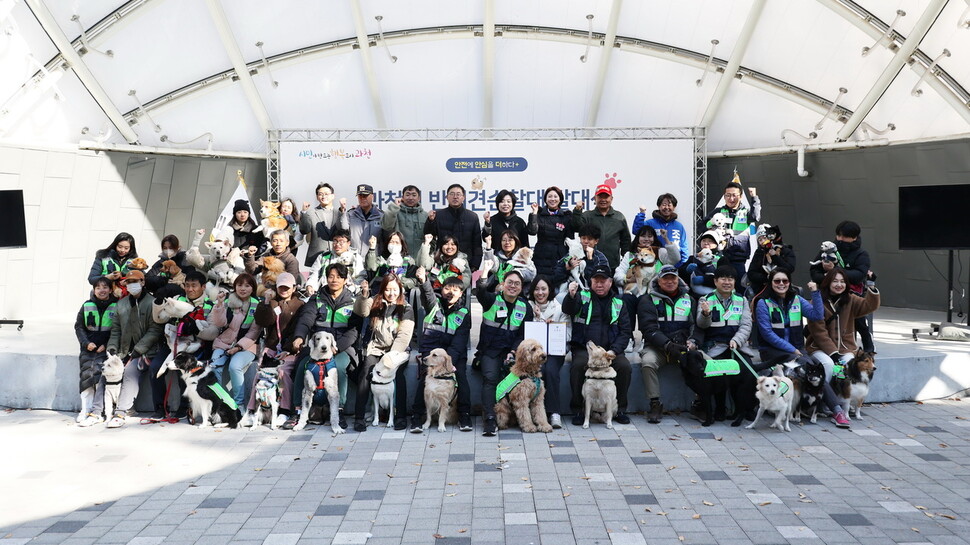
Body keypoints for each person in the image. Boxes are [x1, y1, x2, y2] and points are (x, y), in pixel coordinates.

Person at [753, 269, 847, 428]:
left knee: (816, 367)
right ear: (770, 283)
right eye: (777, 281)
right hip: (772, 351)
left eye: (785, 281)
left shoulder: (796, 299)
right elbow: (767, 334)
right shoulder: (763, 302)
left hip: (796, 349)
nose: (781, 284)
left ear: (790, 283)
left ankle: (823, 405)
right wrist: (792, 350)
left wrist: (815, 293)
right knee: (807, 364)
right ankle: (837, 410)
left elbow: (817, 315)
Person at [290, 263, 362, 426]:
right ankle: (297, 410)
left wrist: (336, 347)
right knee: (302, 366)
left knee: (339, 368)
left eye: (338, 277)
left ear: (345, 279)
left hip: (341, 348)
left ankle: (339, 410)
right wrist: (300, 337)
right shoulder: (316, 299)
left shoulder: (352, 301)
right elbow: (306, 319)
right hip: (316, 347)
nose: (334, 280)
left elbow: (354, 331)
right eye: (331, 276)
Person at [563, 265, 633, 426]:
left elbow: (625, 332)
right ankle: (579, 409)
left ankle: (619, 409)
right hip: (584, 348)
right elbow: (568, 308)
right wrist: (571, 296)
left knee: (624, 367)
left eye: (603, 281)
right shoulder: (583, 296)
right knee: (578, 366)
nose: (599, 284)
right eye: (596, 281)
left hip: (610, 350)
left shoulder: (619, 303)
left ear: (610, 283)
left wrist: (614, 351)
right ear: (591, 282)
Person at [149, 270, 221, 421]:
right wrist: (158, 304)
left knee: (185, 369)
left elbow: (213, 331)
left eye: (194, 286)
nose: (190, 289)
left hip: (195, 346)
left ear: (203, 287)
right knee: (155, 367)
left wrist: (194, 329)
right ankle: (160, 407)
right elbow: (160, 319)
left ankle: (184, 407)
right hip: (172, 343)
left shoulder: (210, 304)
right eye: (187, 285)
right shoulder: (176, 299)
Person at [410, 269, 473, 433]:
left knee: (461, 379)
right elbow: (428, 293)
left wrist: (448, 362)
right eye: (447, 288)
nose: (450, 292)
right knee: (425, 377)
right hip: (431, 351)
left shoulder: (464, 313)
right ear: (441, 289)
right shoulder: (434, 305)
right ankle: (417, 416)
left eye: (455, 289)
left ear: (461, 293)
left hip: (453, 354)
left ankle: (464, 415)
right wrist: (424, 281)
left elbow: (460, 341)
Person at [691, 265, 757, 423]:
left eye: (730, 279)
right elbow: (702, 325)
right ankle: (720, 408)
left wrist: (737, 340)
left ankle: (745, 408)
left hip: (737, 346)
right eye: (723, 279)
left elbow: (746, 325)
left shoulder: (741, 300)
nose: (727, 282)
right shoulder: (706, 300)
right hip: (715, 347)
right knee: (718, 372)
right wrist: (706, 314)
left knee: (747, 372)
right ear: (715, 281)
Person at [805, 267, 881, 399]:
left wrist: (871, 285)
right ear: (828, 282)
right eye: (835, 281)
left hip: (846, 348)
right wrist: (833, 354)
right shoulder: (817, 301)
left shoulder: (851, 299)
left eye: (842, 281)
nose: (839, 285)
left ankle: (844, 401)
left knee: (852, 365)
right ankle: (824, 400)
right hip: (819, 348)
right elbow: (819, 332)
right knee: (828, 365)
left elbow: (869, 306)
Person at [474, 269, 534, 436]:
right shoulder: (491, 300)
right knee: (490, 378)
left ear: (521, 288)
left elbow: (523, 333)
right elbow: (480, 291)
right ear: (503, 284)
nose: (512, 286)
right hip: (490, 350)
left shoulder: (525, 307)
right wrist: (485, 273)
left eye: (517, 284)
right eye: (510, 282)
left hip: (511, 352)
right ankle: (490, 419)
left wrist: (514, 351)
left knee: (517, 381)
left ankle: (513, 417)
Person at [100, 270, 164, 428]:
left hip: (148, 351)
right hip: (125, 350)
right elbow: (116, 330)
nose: (132, 285)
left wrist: (138, 350)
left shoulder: (152, 303)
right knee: (110, 372)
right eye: (129, 282)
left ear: (143, 282)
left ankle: (123, 411)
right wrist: (113, 349)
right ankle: (105, 411)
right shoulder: (120, 304)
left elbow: (155, 330)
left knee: (132, 371)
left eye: (136, 281)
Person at [352, 273, 415, 431]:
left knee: (397, 375)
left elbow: (404, 336)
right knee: (366, 371)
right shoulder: (375, 303)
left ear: (400, 290)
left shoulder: (406, 308)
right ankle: (359, 417)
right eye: (387, 290)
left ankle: (400, 416)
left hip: (396, 352)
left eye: (395, 290)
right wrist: (364, 295)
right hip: (376, 348)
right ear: (382, 290)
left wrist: (390, 359)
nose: (391, 293)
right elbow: (361, 311)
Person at [246, 272, 305, 429]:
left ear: (294, 287)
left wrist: (288, 349)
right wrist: (266, 302)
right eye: (281, 287)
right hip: (272, 347)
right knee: (259, 372)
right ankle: (252, 410)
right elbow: (263, 320)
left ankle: (285, 410)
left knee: (283, 372)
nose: (284, 290)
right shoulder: (272, 303)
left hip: (290, 350)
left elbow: (298, 329)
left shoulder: (300, 305)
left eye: (287, 287)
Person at [638, 264, 695, 424]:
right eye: (666, 279)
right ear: (659, 281)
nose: (670, 282)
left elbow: (695, 326)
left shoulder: (689, 299)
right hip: (657, 348)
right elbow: (648, 329)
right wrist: (668, 345)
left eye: (673, 278)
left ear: (678, 280)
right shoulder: (647, 300)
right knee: (648, 363)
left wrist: (693, 342)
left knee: (705, 362)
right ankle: (655, 404)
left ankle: (700, 403)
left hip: (683, 347)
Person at [809, 220, 875, 353]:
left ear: (854, 237)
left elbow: (859, 275)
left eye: (844, 236)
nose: (840, 239)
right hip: (827, 294)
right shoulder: (828, 249)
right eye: (838, 236)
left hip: (850, 293)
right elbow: (814, 271)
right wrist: (828, 279)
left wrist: (835, 270)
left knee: (858, 318)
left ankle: (867, 342)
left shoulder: (861, 254)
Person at [209, 273, 262, 407]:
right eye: (239, 285)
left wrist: (238, 347)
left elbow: (254, 332)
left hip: (247, 346)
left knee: (235, 366)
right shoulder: (227, 302)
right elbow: (219, 323)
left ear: (253, 288)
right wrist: (219, 304)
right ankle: (219, 404)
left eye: (247, 285)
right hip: (223, 343)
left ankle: (239, 405)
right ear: (234, 287)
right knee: (215, 366)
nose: (243, 288)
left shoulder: (257, 305)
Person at [614, 224, 681, 328]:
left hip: (654, 293)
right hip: (633, 291)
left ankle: (647, 337)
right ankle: (628, 336)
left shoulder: (660, 252)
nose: (646, 239)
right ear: (638, 238)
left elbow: (676, 258)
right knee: (627, 299)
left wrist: (666, 239)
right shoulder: (630, 255)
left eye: (650, 236)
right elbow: (618, 275)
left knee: (645, 300)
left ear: (654, 238)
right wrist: (626, 279)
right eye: (643, 236)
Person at [75, 277, 118, 426]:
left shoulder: (116, 305)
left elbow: (117, 329)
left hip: (105, 348)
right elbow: (79, 327)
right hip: (89, 347)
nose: (102, 290)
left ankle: (100, 410)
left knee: (100, 374)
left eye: (105, 287)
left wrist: (106, 345)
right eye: (98, 287)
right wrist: (86, 343)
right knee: (86, 374)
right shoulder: (87, 305)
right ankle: (85, 409)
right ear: (94, 290)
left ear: (110, 289)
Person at [528, 275, 569, 428]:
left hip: (554, 351)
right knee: (538, 369)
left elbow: (568, 333)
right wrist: (538, 319)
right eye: (537, 289)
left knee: (550, 371)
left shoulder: (559, 308)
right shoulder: (526, 306)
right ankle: (535, 413)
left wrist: (554, 326)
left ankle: (554, 412)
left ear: (550, 290)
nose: (540, 293)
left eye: (543, 289)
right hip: (533, 353)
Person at [704, 182, 761, 282]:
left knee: (739, 285)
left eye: (734, 195)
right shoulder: (718, 211)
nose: (731, 199)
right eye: (728, 195)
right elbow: (702, 226)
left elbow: (755, 217)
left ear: (741, 196)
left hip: (738, 257)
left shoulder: (746, 212)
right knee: (720, 283)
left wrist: (754, 198)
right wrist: (711, 225)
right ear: (724, 196)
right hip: (720, 256)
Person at [424, 183, 484, 270]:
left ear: (463, 197)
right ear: (446, 197)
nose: (455, 197)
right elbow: (428, 235)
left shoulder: (472, 216)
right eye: (452, 194)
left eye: (458, 194)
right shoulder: (438, 215)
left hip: (465, 263)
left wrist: (475, 265)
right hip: (442, 262)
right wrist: (430, 221)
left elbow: (477, 244)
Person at [571, 183, 631, 269]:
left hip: (613, 265)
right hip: (590, 265)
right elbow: (576, 227)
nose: (603, 200)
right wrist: (577, 211)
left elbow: (626, 242)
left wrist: (626, 263)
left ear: (611, 198)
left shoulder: (619, 217)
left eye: (606, 197)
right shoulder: (587, 216)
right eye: (600, 197)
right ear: (595, 198)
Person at [527, 186, 574, 278]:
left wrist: (569, 259)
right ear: (545, 199)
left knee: (559, 282)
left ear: (560, 199)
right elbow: (532, 231)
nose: (552, 199)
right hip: (541, 256)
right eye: (550, 196)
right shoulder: (538, 214)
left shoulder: (566, 216)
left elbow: (570, 240)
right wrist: (534, 214)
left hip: (559, 256)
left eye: (555, 196)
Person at [632, 193, 689, 267]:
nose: (666, 207)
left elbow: (683, 246)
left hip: (675, 265)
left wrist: (683, 264)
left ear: (674, 207)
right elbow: (636, 231)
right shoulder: (650, 223)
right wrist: (641, 213)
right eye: (664, 204)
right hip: (654, 265)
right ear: (659, 206)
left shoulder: (679, 226)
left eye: (669, 205)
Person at [299, 182, 349, 267]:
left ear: (333, 196)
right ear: (317, 197)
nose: (323, 196)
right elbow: (304, 230)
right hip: (316, 257)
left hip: (337, 256)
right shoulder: (311, 213)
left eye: (326, 194)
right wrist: (303, 212)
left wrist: (343, 211)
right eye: (320, 194)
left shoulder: (340, 213)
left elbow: (345, 230)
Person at [305, 229, 366, 296]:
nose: (337, 244)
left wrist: (351, 289)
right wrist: (310, 285)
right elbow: (314, 274)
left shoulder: (356, 258)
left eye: (341, 242)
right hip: (324, 293)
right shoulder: (324, 257)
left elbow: (361, 278)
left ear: (348, 243)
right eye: (335, 241)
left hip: (349, 294)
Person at [552, 223, 609, 291]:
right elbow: (554, 276)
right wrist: (566, 268)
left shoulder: (600, 258)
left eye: (589, 239)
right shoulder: (571, 255)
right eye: (583, 238)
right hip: (570, 291)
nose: (585, 242)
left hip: (591, 294)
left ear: (596, 241)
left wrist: (590, 260)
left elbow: (596, 282)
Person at [746, 224, 796, 298]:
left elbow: (790, 268)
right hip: (763, 291)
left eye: (765, 238)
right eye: (760, 240)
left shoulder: (785, 250)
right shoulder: (759, 253)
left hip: (783, 289)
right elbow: (751, 273)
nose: (763, 241)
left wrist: (775, 256)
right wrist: (767, 278)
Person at [381, 185, 428, 261]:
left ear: (419, 198)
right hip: (399, 260)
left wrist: (426, 254)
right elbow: (386, 226)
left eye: (414, 195)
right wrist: (394, 207)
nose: (410, 198)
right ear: (402, 197)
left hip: (419, 260)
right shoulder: (396, 212)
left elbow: (430, 238)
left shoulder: (425, 215)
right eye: (407, 195)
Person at [680, 231, 729, 297]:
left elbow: (725, 279)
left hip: (714, 296)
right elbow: (680, 274)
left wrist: (704, 279)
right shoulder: (693, 258)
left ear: (716, 243)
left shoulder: (721, 259)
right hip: (693, 295)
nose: (706, 243)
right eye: (703, 240)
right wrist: (686, 270)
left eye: (710, 241)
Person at [348, 184, 384, 254]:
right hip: (355, 259)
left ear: (372, 196)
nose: (362, 198)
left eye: (365, 196)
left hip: (374, 260)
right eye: (360, 196)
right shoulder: (350, 215)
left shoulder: (381, 216)